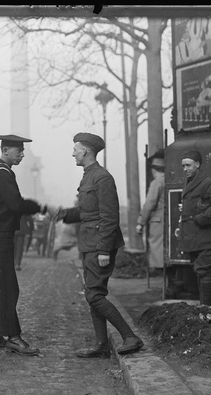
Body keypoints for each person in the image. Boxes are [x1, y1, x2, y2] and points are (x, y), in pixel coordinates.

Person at [55, 132, 144, 359]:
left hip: (99, 245)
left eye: (75, 149)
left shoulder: (102, 178)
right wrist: (63, 213)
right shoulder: (89, 176)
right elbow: (88, 213)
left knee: (94, 295)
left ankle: (129, 337)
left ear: (85, 151)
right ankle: (102, 345)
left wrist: (104, 249)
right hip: (90, 243)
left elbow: (109, 216)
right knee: (92, 293)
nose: (73, 153)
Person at [0, 134, 51, 357]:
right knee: (8, 285)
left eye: (22, 151)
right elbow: (16, 203)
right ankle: (13, 336)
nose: (21, 154)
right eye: (18, 150)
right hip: (0, 234)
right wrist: (42, 207)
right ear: (6, 150)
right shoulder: (2, 172)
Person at [176, 150, 211, 306]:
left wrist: (200, 219)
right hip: (195, 237)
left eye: (188, 165)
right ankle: (204, 308)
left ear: (197, 164)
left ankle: (206, 309)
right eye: (183, 166)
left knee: (202, 270)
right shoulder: (189, 181)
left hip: (207, 236)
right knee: (200, 271)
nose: (185, 169)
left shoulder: (208, 182)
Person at [135, 155, 166, 275]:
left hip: (158, 220)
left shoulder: (156, 183)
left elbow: (149, 204)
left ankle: (160, 269)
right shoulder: (168, 180)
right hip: (168, 218)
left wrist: (140, 222)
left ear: (154, 170)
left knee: (157, 245)